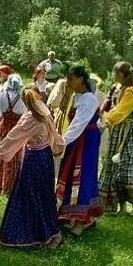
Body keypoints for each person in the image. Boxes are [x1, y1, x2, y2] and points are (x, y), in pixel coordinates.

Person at [0, 86, 65, 248]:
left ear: (25, 102)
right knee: (45, 195)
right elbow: (54, 135)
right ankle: (52, 234)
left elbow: (13, 137)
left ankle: (34, 235)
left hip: (33, 160)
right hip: (45, 158)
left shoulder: (30, 118)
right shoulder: (46, 116)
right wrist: (58, 147)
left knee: (28, 196)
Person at [97, 62, 133, 216]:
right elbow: (119, 108)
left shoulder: (131, 91)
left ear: (121, 74)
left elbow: (123, 110)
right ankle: (120, 206)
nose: (113, 76)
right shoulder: (116, 88)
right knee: (113, 168)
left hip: (129, 133)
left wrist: (107, 121)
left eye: (115, 73)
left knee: (128, 168)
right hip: (117, 132)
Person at [56, 66, 103, 236]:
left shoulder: (89, 98)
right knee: (70, 174)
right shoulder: (75, 96)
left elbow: (80, 123)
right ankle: (73, 216)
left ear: (81, 79)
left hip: (87, 139)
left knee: (84, 175)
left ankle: (83, 220)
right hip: (77, 138)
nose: (68, 82)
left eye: (71, 79)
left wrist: (62, 142)